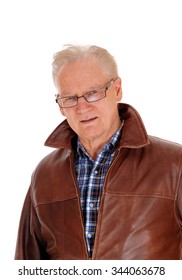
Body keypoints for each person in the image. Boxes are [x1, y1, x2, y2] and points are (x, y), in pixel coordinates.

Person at [15, 44, 182, 260]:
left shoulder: (174, 165)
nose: (82, 108)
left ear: (117, 89)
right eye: (70, 98)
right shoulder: (45, 174)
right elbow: (26, 263)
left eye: (93, 93)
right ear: (60, 106)